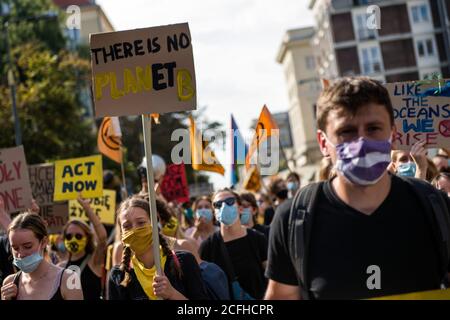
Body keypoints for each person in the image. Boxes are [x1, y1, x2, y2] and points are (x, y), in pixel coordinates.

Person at [265, 77, 450, 300]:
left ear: (393, 134)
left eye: (373, 128)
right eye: (347, 131)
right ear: (324, 143)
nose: (361, 142)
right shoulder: (293, 220)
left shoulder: (434, 206)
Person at [108, 196, 209, 300]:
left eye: (141, 223)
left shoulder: (184, 262)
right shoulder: (118, 276)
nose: (135, 230)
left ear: (154, 223)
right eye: (127, 226)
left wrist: (173, 294)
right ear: (121, 232)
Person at [200, 188, 267, 300]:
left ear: (240, 208)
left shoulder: (257, 238)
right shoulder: (207, 247)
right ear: (214, 213)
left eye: (230, 201)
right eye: (218, 204)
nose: (224, 206)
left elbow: (271, 276)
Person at [1, 212, 83, 300]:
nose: (20, 254)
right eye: (15, 248)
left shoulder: (68, 279)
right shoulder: (10, 283)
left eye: (27, 246)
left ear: (44, 242)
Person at [60, 195, 108, 300]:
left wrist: (87, 209)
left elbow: (102, 238)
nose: (73, 240)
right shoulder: (60, 267)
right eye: (69, 236)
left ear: (87, 238)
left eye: (78, 236)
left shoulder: (93, 261)